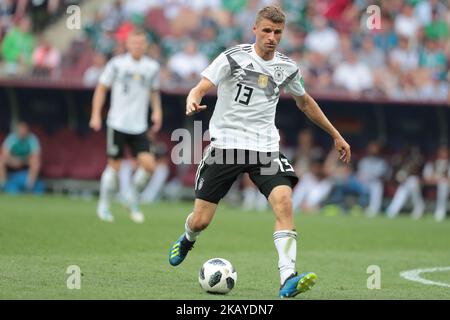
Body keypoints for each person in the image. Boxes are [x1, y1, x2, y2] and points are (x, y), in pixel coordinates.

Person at [168, 6, 351, 298]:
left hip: (264, 148)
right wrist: (193, 99)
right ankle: (188, 237)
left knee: (284, 202)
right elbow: (201, 87)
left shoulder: (287, 67)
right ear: (255, 29)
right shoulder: (232, 57)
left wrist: (336, 135)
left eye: (278, 32)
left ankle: (287, 278)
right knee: (201, 219)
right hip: (226, 146)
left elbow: (305, 103)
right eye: (267, 30)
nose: (272, 37)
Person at [89, 28, 163, 223]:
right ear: (128, 44)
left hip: (139, 125)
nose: (137, 46)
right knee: (114, 166)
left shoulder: (152, 67)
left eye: (141, 43)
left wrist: (157, 111)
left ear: (145, 45)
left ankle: (131, 198)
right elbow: (101, 88)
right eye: (134, 42)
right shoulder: (116, 64)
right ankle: (104, 205)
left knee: (149, 165)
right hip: (118, 123)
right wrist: (96, 114)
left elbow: (154, 92)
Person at [0, 121, 44, 194]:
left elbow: (36, 154)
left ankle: (29, 186)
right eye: (21, 130)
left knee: (35, 161)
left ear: (27, 131)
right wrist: (14, 160)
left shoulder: (32, 138)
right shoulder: (11, 138)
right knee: (1, 160)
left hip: (26, 160)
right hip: (13, 161)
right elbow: (5, 153)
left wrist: (22, 160)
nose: (22, 133)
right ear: (17, 131)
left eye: (24, 130)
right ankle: (3, 185)